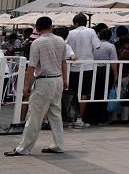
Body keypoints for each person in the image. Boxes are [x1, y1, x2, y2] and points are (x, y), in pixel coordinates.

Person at [5, 16, 67, 157]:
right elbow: (63, 62)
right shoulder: (60, 40)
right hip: (58, 79)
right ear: (51, 27)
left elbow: (31, 66)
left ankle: (23, 148)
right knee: (55, 114)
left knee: (34, 115)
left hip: (44, 81)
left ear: (37, 29)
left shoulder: (37, 43)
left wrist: (25, 86)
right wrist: (65, 79)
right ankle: (58, 145)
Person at [65, 12, 100, 128]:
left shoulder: (70, 33)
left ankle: (71, 117)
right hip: (87, 66)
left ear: (75, 23)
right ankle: (80, 118)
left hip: (73, 67)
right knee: (84, 94)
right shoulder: (91, 31)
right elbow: (97, 46)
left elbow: (65, 46)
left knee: (72, 92)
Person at [89, 28, 118, 125]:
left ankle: (92, 117)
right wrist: (116, 75)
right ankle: (102, 118)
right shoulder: (111, 46)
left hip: (93, 70)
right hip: (106, 71)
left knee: (94, 93)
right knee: (104, 94)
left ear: (99, 35)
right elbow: (114, 62)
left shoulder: (94, 45)